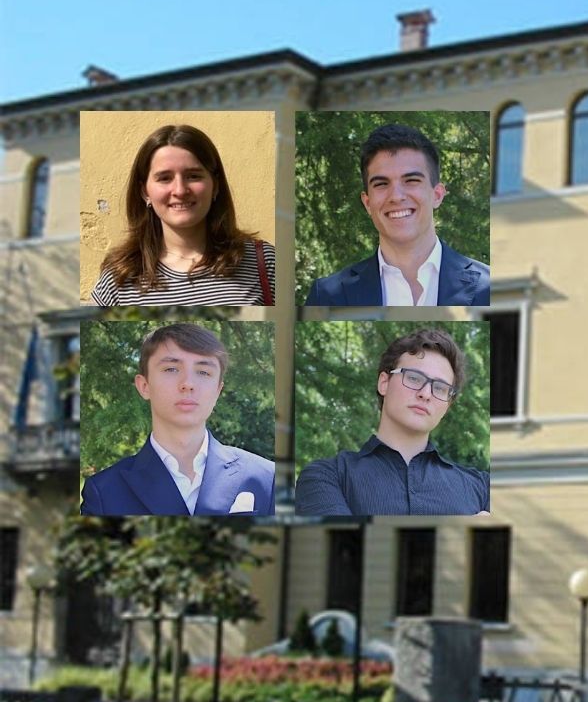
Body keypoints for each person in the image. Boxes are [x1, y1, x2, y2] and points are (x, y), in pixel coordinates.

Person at [80, 324, 275, 516]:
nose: (188, 384)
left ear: (218, 390)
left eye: (203, 372)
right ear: (144, 385)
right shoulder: (104, 492)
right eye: (171, 369)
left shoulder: (266, 478)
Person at [295, 328, 489, 515]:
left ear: (448, 404)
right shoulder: (326, 477)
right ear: (384, 383)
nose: (425, 394)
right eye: (414, 378)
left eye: (440, 388)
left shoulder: (483, 488)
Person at [304, 124, 490, 306]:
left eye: (411, 180)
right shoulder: (327, 297)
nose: (396, 196)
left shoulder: (492, 289)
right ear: (367, 202)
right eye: (381, 184)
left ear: (437, 195)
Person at [91, 124, 277, 306]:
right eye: (164, 178)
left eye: (193, 176)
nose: (180, 190)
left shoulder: (265, 263)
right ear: (144, 192)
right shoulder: (119, 277)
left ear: (216, 185)